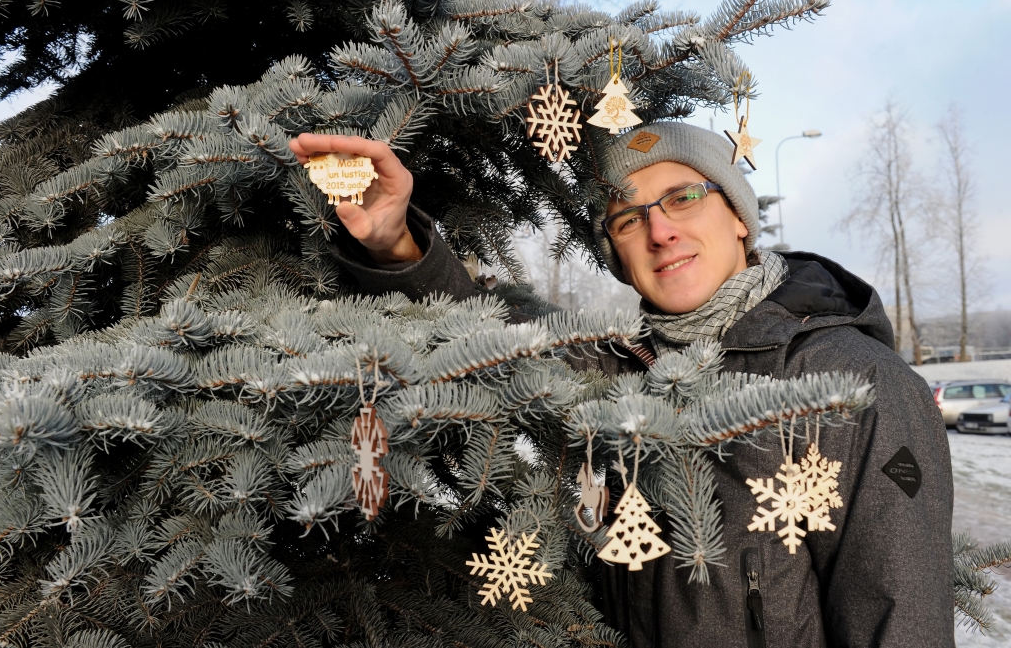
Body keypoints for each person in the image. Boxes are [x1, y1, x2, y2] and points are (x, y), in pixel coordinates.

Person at [289, 122, 955, 648]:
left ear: (740, 219)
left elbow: (901, 620)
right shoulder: (615, 381)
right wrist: (394, 240)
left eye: (685, 197)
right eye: (629, 218)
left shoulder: (855, 382)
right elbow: (491, 335)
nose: (660, 230)